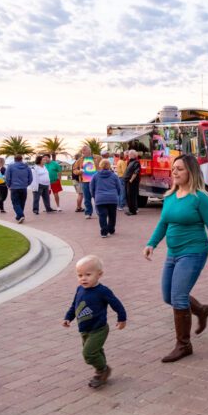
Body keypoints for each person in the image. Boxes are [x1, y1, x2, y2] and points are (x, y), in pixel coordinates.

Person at [144, 154, 208, 362]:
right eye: (173, 169)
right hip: (173, 253)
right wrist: (151, 244)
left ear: (191, 172)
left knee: (178, 297)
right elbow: (164, 223)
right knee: (168, 296)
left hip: (194, 251)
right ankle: (200, 310)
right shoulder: (170, 196)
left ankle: (184, 345)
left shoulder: (201, 198)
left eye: (179, 169)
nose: (174, 172)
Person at [63, 255, 126, 389]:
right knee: (96, 351)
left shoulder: (102, 291)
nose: (83, 278)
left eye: (88, 274)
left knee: (89, 354)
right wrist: (68, 317)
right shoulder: (80, 289)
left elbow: (117, 305)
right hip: (84, 330)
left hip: (99, 329)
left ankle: (102, 370)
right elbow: (75, 305)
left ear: (99, 274)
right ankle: (103, 369)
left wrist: (122, 318)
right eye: (79, 275)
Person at [90, 159, 123, 238]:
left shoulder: (95, 176)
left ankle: (104, 232)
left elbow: (91, 187)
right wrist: (117, 194)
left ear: (100, 165)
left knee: (102, 215)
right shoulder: (114, 176)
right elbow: (119, 187)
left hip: (100, 198)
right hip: (112, 198)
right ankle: (111, 229)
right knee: (112, 215)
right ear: (109, 166)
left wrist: (94, 195)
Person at [5, 154, 33, 224]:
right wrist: (27, 184)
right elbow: (31, 178)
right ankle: (19, 216)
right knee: (22, 202)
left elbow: (7, 177)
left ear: (14, 159)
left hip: (14, 187)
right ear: (21, 159)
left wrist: (8, 185)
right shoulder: (27, 167)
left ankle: (20, 215)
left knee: (15, 203)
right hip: (24, 187)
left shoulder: (10, 167)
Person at [79, 146, 102, 219]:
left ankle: (99, 212)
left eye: (84, 151)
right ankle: (88, 213)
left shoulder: (98, 157)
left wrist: (100, 172)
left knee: (97, 197)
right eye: (82, 151)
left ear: (89, 151)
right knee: (87, 198)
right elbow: (74, 169)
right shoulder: (81, 159)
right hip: (85, 181)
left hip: (96, 181)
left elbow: (103, 166)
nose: (83, 152)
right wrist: (79, 171)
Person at [123, 150, 141, 215]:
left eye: (129, 154)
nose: (128, 155)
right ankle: (130, 210)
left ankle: (133, 211)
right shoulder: (130, 162)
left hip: (132, 182)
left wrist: (131, 180)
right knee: (128, 196)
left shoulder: (136, 162)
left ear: (133, 155)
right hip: (128, 181)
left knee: (131, 196)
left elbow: (136, 172)